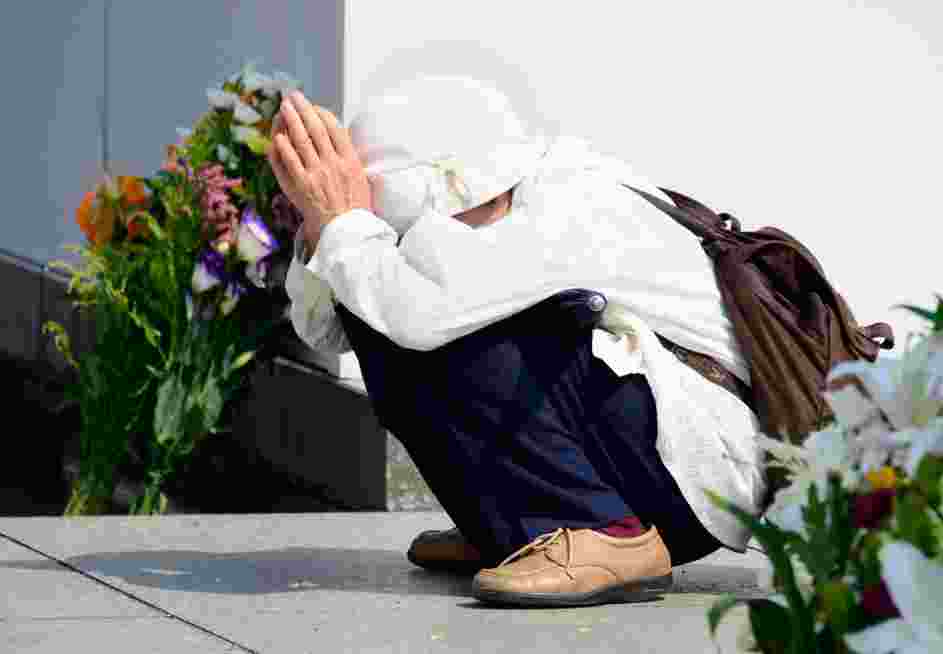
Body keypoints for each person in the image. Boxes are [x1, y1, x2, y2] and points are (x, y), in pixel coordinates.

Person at [271, 76, 766, 608]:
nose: (415, 236)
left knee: (417, 316)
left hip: (691, 482)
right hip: (655, 462)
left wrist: (345, 223)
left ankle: (596, 526)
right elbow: (333, 328)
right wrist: (329, 227)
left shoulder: (569, 203)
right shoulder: (509, 204)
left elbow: (412, 315)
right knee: (380, 296)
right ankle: (516, 523)